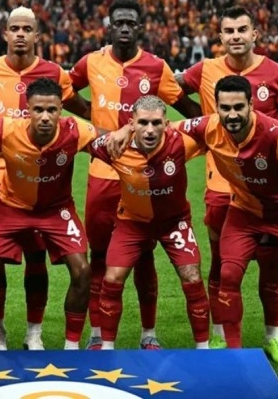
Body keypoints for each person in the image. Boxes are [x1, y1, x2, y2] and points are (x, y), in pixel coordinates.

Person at [176, 6, 278, 359]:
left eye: (242, 29)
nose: (236, 36)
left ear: (255, 33)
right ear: (220, 37)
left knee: (271, 264)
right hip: (221, 183)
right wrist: (200, 119)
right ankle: (221, 335)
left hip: (270, 185)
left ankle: (273, 338)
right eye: (229, 31)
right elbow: (170, 89)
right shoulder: (204, 70)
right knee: (222, 264)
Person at [68, 0, 202, 350]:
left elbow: (187, 108)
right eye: (119, 23)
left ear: (140, 28)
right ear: (109, 28)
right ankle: (98, 334)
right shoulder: (91, 62)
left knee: (144, 256)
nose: (125, 28)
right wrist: (92, 117)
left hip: (143, 177)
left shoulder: (156, 67)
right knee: (100, 257)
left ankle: (148, 333)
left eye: (131, 23)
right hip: (103, 176)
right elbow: (66, 92)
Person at [0, 6, 91, 351]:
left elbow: (76, 109)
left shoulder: (53, 73)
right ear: (5, 33)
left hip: (41, 177)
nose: (20, 34)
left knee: (37, 257)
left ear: (37, 35)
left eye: (27, 29)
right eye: (15, 28)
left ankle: (34, 332)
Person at [0, 77, 108, 351]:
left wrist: (125, 132)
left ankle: (70, 347)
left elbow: (108, 136)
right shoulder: (5, 128)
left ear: (61, 110)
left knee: (82, 271)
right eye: (38, 110)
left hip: (57, 211)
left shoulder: (76, 130)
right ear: (28, 110)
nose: (45, 117)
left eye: (51, 110)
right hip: (11, 208)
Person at [90, 96, 210, 350]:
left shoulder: (182, 142)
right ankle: (107, 349)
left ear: (167, 124)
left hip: (174, 223)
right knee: (112, 278)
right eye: (143, 122)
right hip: (131, 223)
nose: (150, 130)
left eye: (156, 123)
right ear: (132, 123)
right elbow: (76, 142)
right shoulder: (114, 146)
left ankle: (203, 349)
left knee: (192, 277)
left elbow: (217, 127)